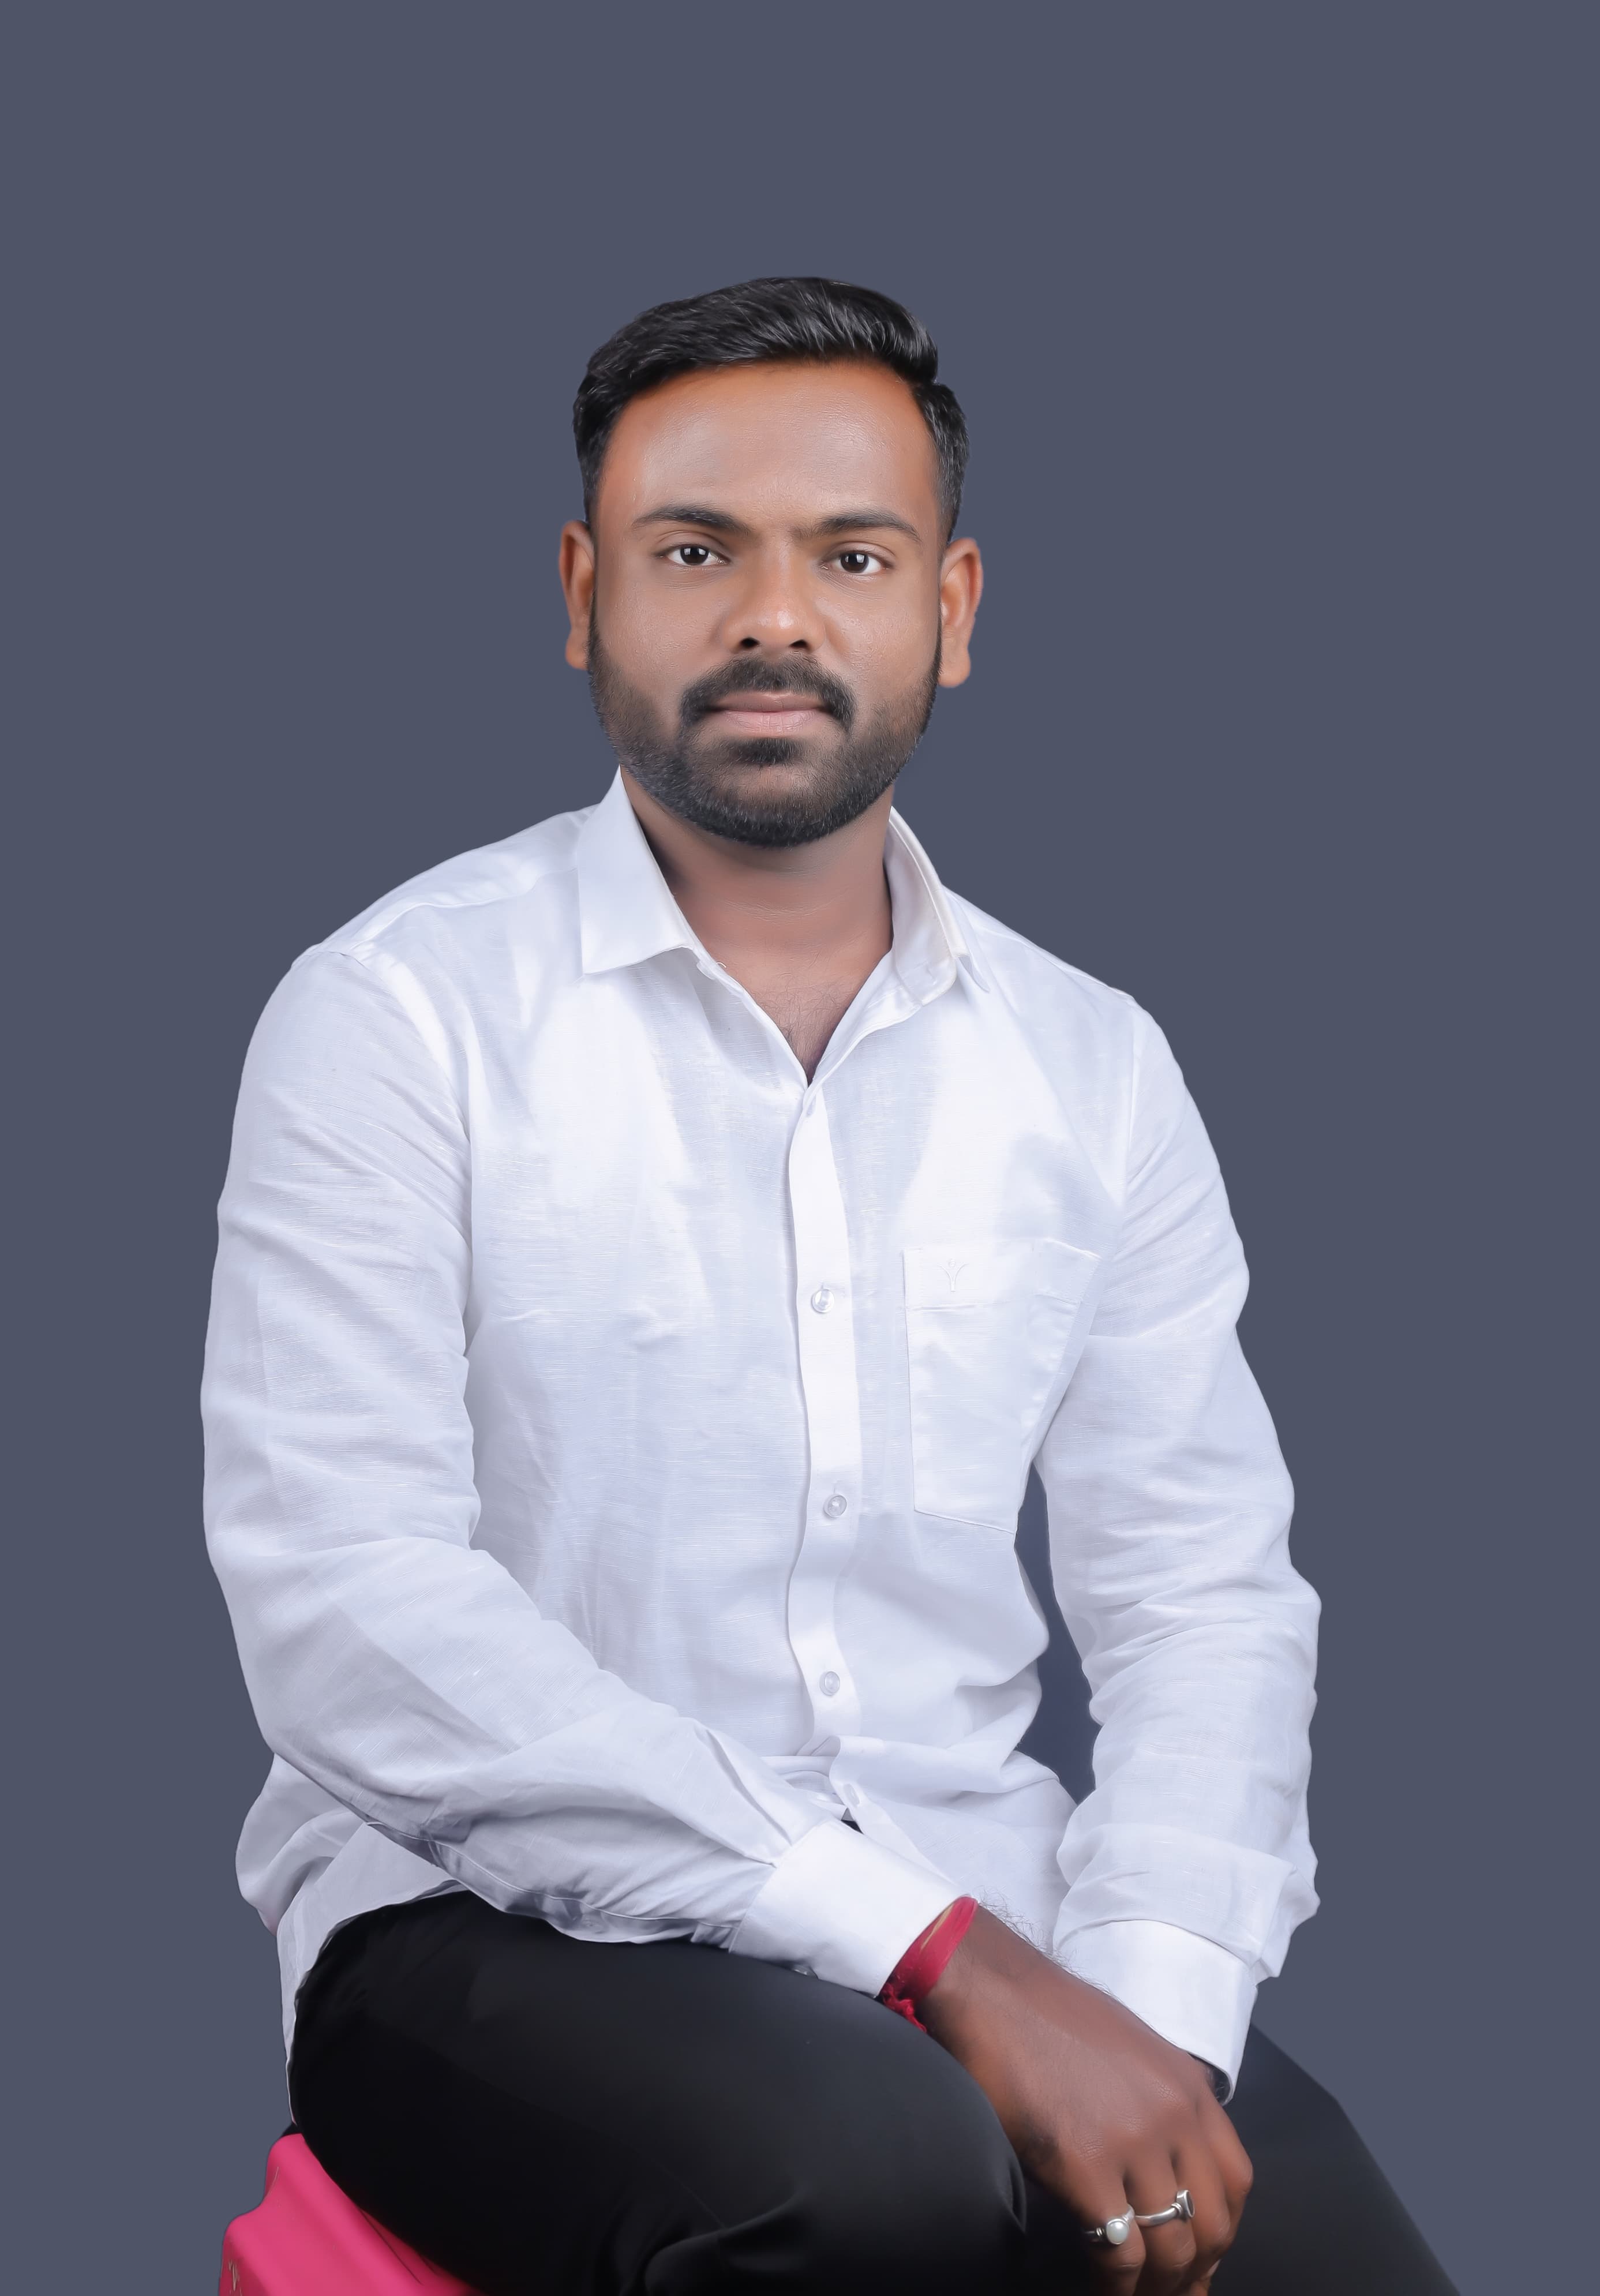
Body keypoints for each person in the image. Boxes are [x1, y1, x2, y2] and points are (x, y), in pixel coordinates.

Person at [204, 278, 1453, 2294]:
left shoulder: (1090, 1063)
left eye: (850, 557)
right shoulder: (395, 1018)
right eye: (696, 552)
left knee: (1324, 2260)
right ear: (586, 593)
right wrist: (933, 1957)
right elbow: (352, 1607)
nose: (773, 617)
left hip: (989, 1896)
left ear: (950, 608)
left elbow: (1200, 1594)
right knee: (872, 2185)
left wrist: (1148, 2013)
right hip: (485, 1918)